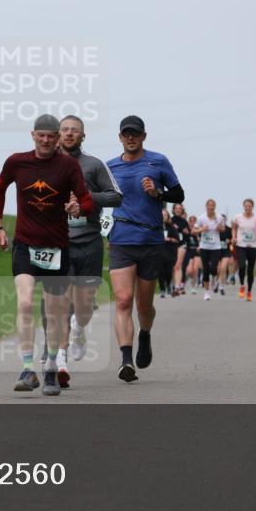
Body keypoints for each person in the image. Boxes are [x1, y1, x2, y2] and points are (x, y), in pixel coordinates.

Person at [0, 114, 94, 396]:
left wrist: (80, 208)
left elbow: (85, 198)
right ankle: (27, 368)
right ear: (33, 135)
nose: (47, 140)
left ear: (58, 138)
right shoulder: (17, 161)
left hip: (57, 248)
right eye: (42, 135)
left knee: (54, 312)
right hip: (25, 244)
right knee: (25, 304)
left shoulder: (68, 166)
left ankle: (49, 367)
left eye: (52, 136)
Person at [46, 115, 123, 388]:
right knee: (61, 304)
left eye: (74, 131)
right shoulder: (47, 164)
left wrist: (85, 198)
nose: (68, 134)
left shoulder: (93, 164)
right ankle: (61, 360)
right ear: (58, 134)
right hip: (59, 242)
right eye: (64, 130)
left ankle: (80, 329)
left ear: (82, 136)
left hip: (89, 242)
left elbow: (116, 196)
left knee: (84, 306)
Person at [106, 115, 184, 382]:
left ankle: (145, 334)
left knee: (144, 305)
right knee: (123, 300)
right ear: (119, 137)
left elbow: (179, 194)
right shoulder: (110, 167)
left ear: (143, 136)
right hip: (121, 240)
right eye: (126, 134)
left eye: (135, 134)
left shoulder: (158, 161)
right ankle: (126, 361)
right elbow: (96, 197)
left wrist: (158, 194)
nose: (130, 138)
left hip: (151, 241)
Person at [232, 199, 256, 301]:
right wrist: (234, 237)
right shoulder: (238, 217)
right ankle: (242, 285)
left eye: (249, 206)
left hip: (253, 246)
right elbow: (234, 228)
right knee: (242, 266)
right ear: (243, 206)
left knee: (250, 270)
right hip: (241, 245)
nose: (247, 208)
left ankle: (249, 292)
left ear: (252, 207)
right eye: (246, 206)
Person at [193, 199, 226, 301]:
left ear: (214, 207)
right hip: (204, 247)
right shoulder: (201, 218)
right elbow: (193, 231)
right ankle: (207, 292)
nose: (211, 207)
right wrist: (202, 229)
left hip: (215, 247)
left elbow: (223, 229)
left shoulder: (219, 217)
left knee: (214, 267)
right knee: (206, 270)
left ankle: (214, 280)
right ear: (206, 206)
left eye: (212, 206)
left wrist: (219, 229)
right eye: (209, 205)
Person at [159, 209, 180, 298]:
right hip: (158, 252)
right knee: (160, 272)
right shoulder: (156, 226)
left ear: (168, 216)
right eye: (162, 214)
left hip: (169, 252)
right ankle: (162, 289)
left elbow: (177, 240)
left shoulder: (171, 228)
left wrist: (170, 239)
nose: (163, 216)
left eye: (165, 215)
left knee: (168, 271)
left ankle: (168, 284)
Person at [170, 203, 189, 296]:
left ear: (182, 210)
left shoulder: (184, 221)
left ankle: (177, 287)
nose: (178, 210)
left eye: (180, 208)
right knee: (173, 266)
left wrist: (180, 229)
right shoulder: (170, 220)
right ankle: (173, 285)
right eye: (176, 208)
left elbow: (187, 233)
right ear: (173, 210)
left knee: (178, 265)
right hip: (172, 245)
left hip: (182, 244)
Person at [183, 214, 202, 294]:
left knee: (195, 269)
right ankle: (185, 280)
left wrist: (199, 243)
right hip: (189, 251)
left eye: (194, 221)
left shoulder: (198, 231)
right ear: (188, 222)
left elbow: (203, 241)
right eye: (191, 221)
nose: (192, 223)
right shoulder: (186, 231)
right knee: (189, 270)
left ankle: (193, 287)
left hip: (197, 252)